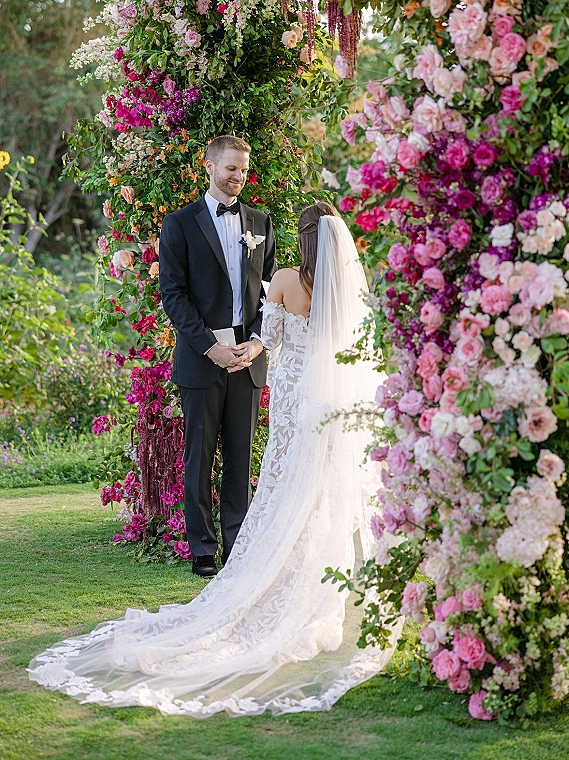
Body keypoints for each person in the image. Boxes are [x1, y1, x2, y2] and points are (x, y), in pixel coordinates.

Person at [28, 204, 402, 716]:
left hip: (295, 407)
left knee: (285, 491)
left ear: (305, 238)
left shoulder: (289, 279)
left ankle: (275, 589)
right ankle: (319, 601)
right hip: (332, 410)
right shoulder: (348, 295)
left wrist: (240, 353)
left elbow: (267, 340)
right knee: (321, 500)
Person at [158, 135, 276, 577]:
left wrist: (258, 342)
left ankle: (238, 548)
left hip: (247, 362)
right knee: (200, 458)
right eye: (230, 168)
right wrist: (212, 347)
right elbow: (174, 296)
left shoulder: (261, 223)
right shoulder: (180, 224)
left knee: (240, 458)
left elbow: (272, 298)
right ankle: (203, 550)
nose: (238, 177)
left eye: (243, 170)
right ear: (209, 167)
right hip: (202, 360)